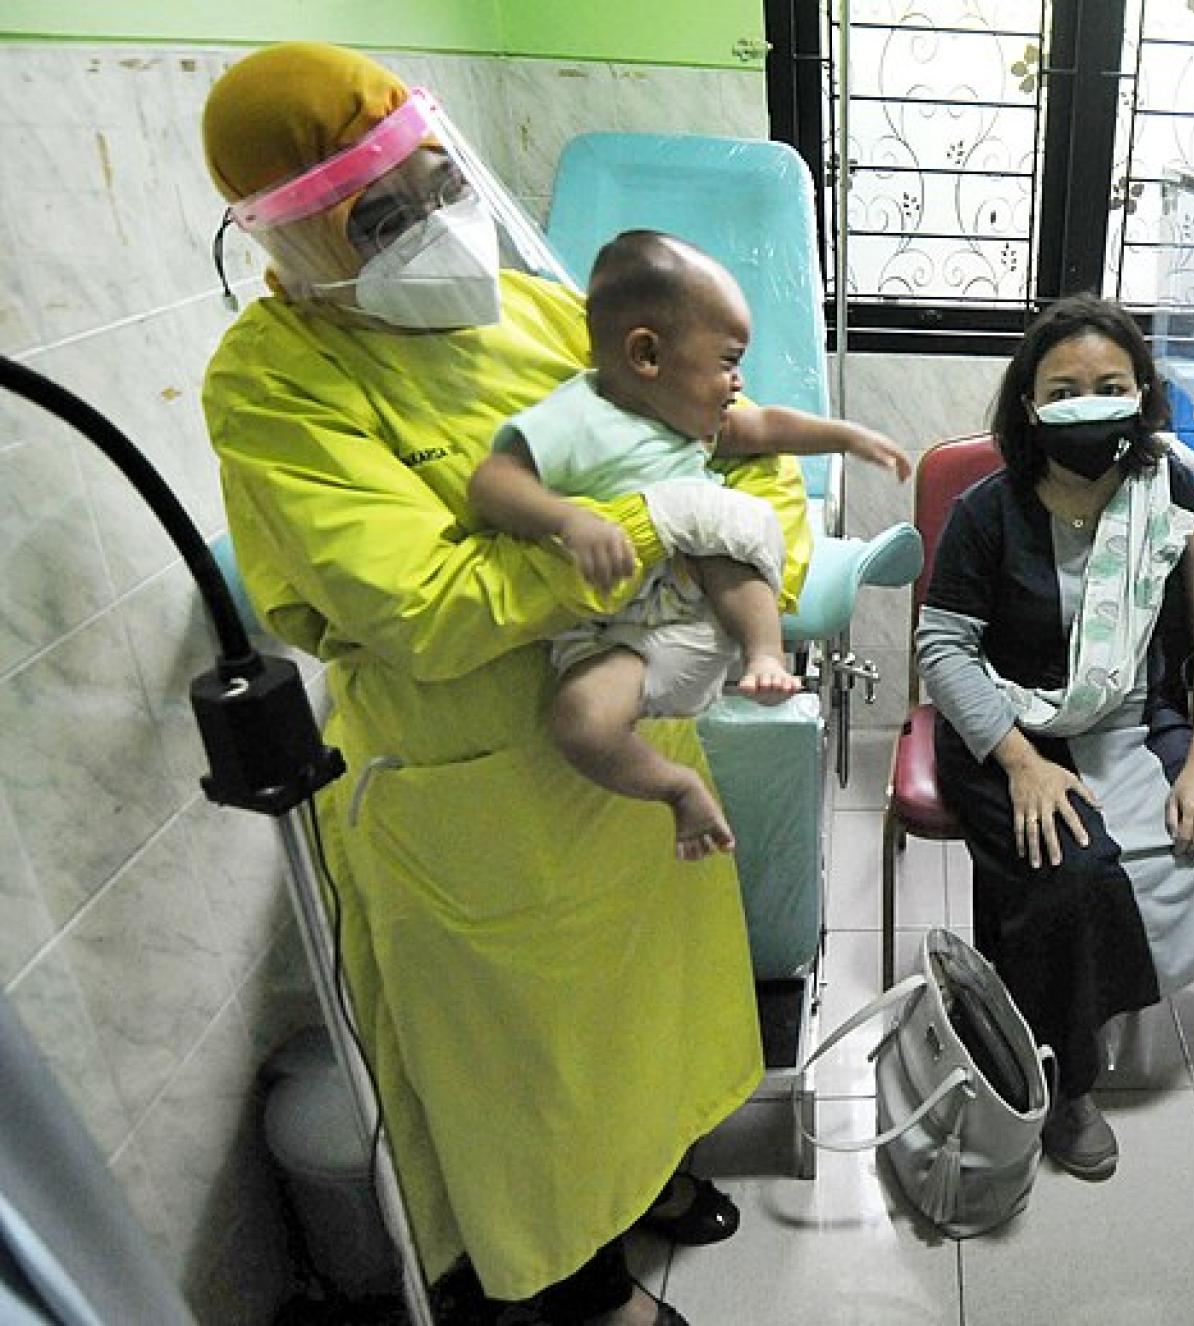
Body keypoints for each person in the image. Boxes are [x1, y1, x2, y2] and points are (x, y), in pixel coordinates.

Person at [198, 42, 793, 1325]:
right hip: (480, 801)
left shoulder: (528, 312)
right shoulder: (276, 386)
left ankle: (651, 1184)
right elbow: (420, 608)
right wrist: (653, 531)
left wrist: (750, 550)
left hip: (632, 756)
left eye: (440, 186)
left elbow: (731, 450)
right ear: (291, 239)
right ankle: (579, 1285)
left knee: (655, 1015)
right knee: (531, 1082)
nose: (437, 231)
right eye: (383, 215)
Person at [916, 294, 1194, 1181]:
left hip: (1136, 715)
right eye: (1064, 388)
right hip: (1007, 727)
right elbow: (943, 649)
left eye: (1110, 385)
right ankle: (1068, 1074)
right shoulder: (988, 511)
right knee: (1072, 876)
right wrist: (1018, 763)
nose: (1089, 403)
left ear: (1143, 394)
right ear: (1029, 404)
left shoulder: (1176, 492)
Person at [469, 229, 909, 858]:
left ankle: (765, 654)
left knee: (724, 527)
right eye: (728, 362)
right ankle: (677, 790)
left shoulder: (692, 425)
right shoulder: (576, 417)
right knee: (580, 724)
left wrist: (846, 435)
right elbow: (494, 480)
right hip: (612, 634)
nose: (737, 384)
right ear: (647, 356)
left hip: (691, 616)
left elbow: (765, 427)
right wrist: (568, 521)